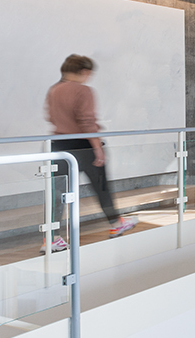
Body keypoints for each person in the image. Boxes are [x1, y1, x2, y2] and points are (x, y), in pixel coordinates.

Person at [45, 54, 134, 247]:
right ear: (84, 71)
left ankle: (50, 238)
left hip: (58, 145)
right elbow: (87, 122)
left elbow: (50, 117)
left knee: (58, 193)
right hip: (84, 146)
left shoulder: (54, 90)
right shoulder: (83, 91)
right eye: (89, 74)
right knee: (101, 187)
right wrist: (98, 149)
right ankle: (115, 223)